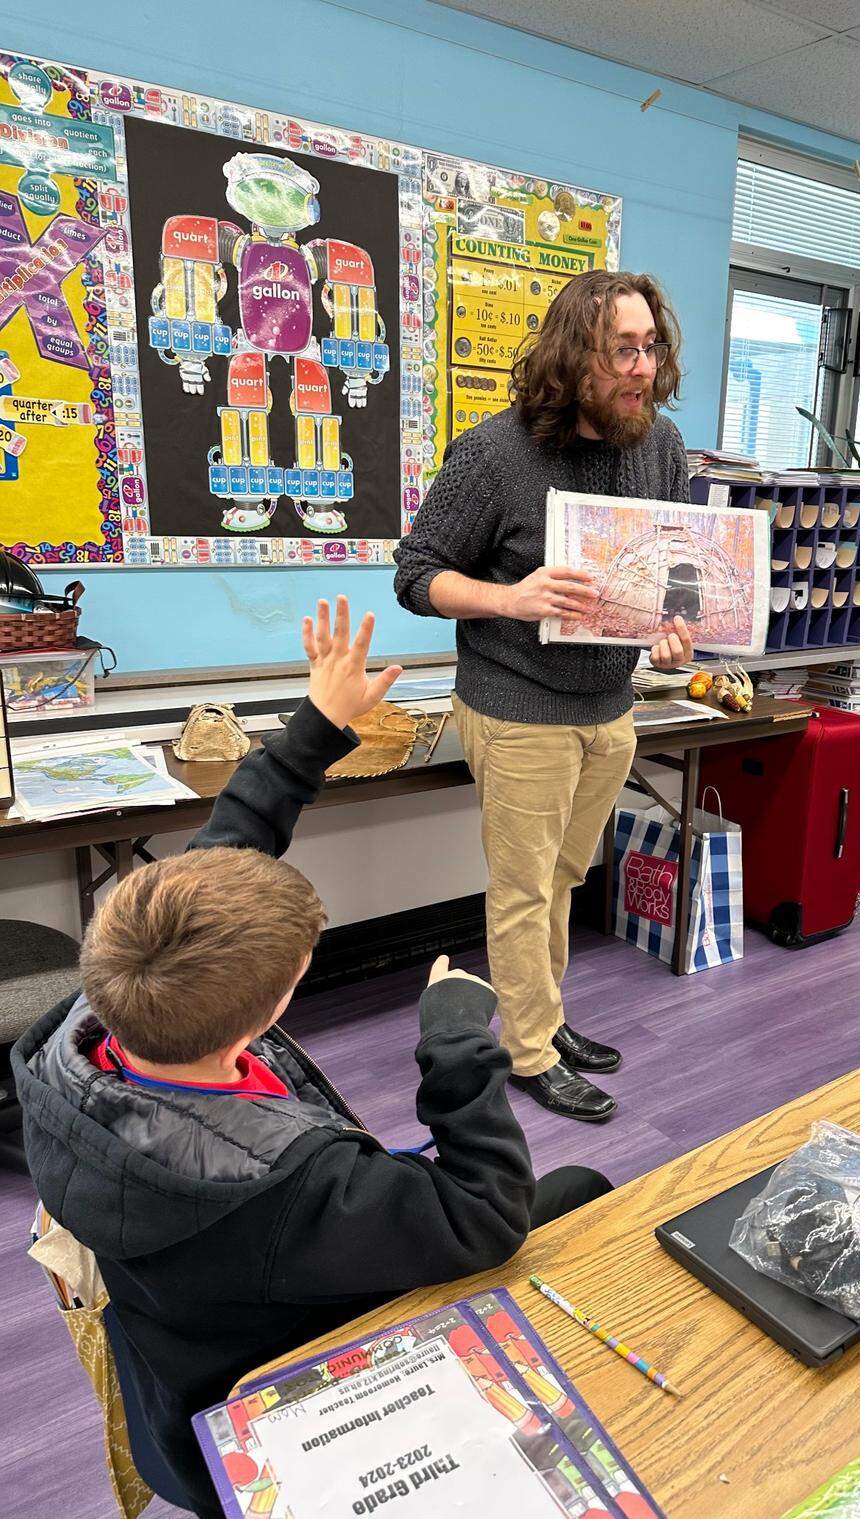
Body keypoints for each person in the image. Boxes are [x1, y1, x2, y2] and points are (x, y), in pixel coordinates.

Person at [14, 597, 610, 1519]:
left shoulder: (86, 1023)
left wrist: (318, 724)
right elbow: (482, 1214)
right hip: (279, 1389)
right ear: (274, 1007)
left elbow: (220, 854)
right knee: (578, 1194)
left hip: (181, 1348)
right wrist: (455, 1043)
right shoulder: (293, 1185)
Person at [394, 269, 693, 1123]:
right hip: (516, 701)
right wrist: (508, 598)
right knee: (523, 887)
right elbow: (416, 575)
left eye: (651, 346)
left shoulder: (659, 445)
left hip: (610, 705)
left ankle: (545, 1018)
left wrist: (677, 630)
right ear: (574, 358)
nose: (643, 367)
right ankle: (527, 1051)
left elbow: (677, 561)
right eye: (622, 350)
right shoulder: (495, 454)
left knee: (565, 875)